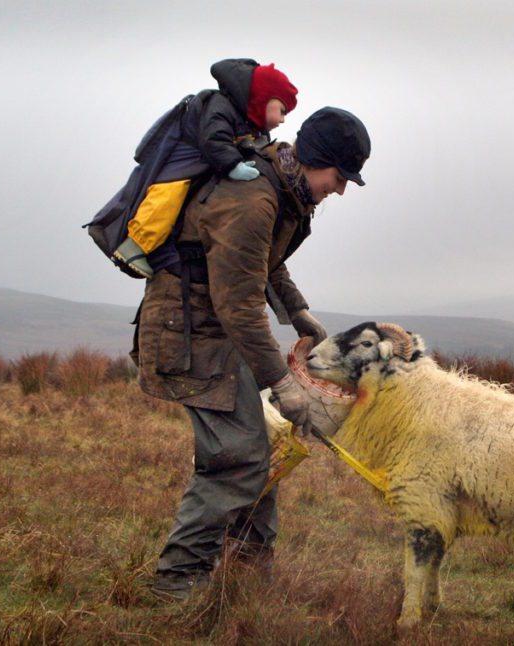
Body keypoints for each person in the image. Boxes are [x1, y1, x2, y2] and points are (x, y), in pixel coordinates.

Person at [134, 106, 371, 601]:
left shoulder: (281, 191)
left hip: (213, 331)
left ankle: (247, 572)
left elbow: (264, 263)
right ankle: (175, 587)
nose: (342, 189)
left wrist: (298, 310)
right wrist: (283, 386)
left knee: (263, 447)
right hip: (190, 333)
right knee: (237, 457)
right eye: (340, 176)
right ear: (317, 159)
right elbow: (238, 305)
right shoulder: (253, 198)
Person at [112, 59, 299, 278]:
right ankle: (135, 245)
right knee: (170, 193)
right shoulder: (221, 105)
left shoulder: (252, 127)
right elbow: (214, 138)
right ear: (264, 98)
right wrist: (232, 165)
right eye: (282, 110)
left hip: (204, 164)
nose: (284, 119)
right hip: (183, 162)